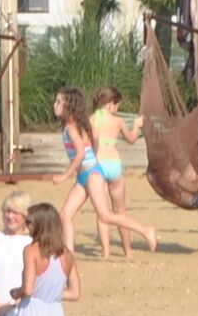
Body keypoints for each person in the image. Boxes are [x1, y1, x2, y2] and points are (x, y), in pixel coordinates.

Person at [56, 89, 157, 258]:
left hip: (92, 174)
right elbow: (95, 137)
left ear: (69, 106)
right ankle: (69, 256)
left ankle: (145, 230)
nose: (55, 105)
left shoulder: (75, 126)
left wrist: (65, 174)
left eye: (58, 102)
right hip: (87, 174)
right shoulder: (75, 124)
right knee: (65, 215)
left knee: (105, 215)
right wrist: (92, 157)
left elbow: (81, 153)